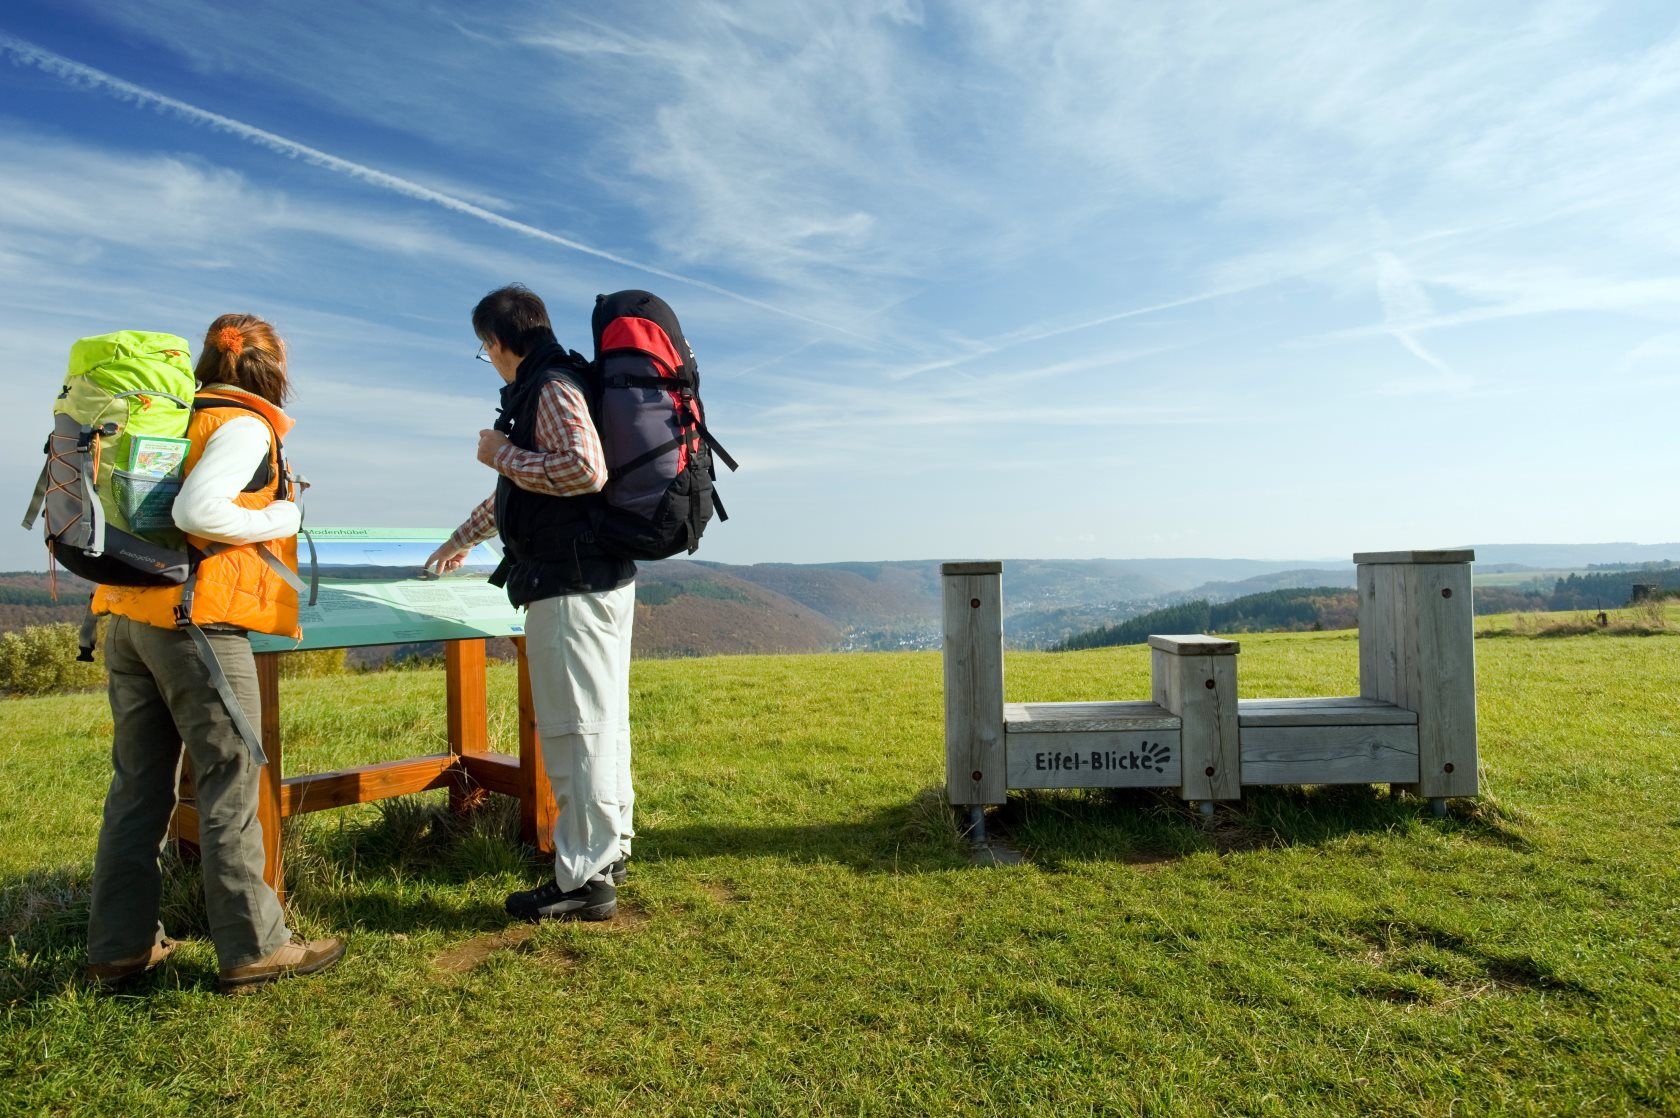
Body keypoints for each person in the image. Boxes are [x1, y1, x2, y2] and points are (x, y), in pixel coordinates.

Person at [85, 314, 344, 991]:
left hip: (132, 618)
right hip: (198, 628)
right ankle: (255, 947)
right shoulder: (243, 424)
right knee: (230, 782)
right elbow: (197, 513)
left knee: (139, 788)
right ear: (273, 369)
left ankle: (120, 947)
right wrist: (284, 515)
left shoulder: (177, 418)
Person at [425, 285, 633, 923]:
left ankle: (584, 877)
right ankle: (609, 852)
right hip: (594, 578)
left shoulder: (550, 387)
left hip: (570, 585)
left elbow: (583, 470)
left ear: (495, 342)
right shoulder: (559, 380)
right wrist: (461, 540)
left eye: (483, 348)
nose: (486, 358)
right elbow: (522, 493)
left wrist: (501, 453)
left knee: (576, 730)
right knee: (600, 721)